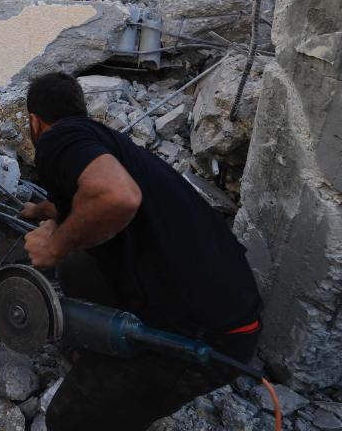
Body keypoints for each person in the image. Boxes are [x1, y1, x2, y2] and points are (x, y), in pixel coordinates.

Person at [19, 73, 263, 431]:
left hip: (208, 337)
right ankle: (103, 353)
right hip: (229, 297)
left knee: (68, 418)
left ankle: (124, 382)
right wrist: (46, 211)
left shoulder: (57, 140)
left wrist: (54, 245)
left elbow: (118, 196)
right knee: (78, 267)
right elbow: (90, 195)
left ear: (34, 121)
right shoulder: (103, 141)